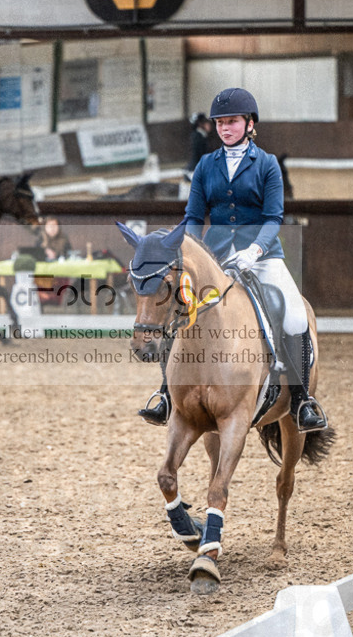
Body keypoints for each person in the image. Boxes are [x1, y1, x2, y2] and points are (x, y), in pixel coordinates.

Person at [139, 87, 327, 433]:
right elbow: (193, 215)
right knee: (179, 310)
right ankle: (166, 393)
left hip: (263, 257)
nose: (225, 128)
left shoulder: (267, 164)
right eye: (220, 123)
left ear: (249, 123)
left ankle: (302, 401)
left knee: (295, 315)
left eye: (233, 122)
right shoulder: (206, 166)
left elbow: (273, 218)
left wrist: (254, 251)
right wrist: (190, 251)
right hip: (215, 258)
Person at [185, 111, 214, 176]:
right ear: (200, 124)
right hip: (196, 170)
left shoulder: (202, 136)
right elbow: (199, 155)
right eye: (206, 122)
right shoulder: (197, 137)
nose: (209, 125)